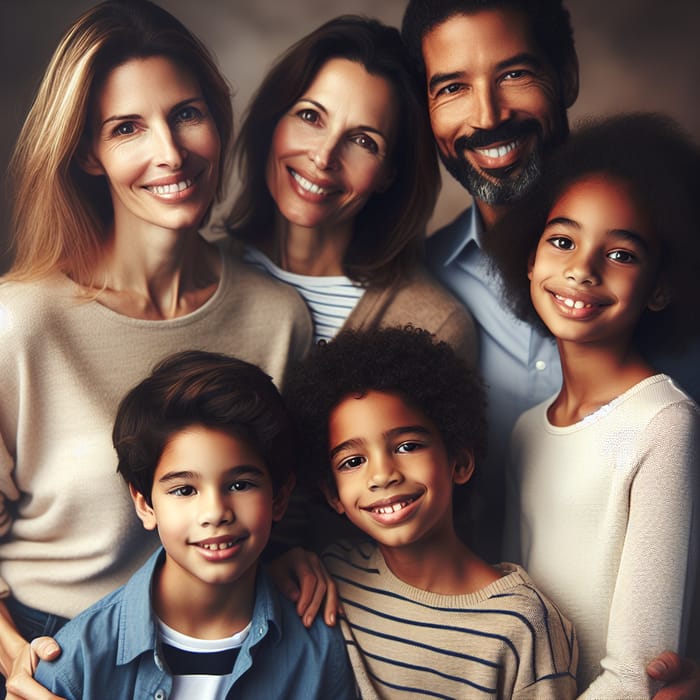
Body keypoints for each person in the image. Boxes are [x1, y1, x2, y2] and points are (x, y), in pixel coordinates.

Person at [0, 1, 311, 697]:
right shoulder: (18, 321)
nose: (170, 152)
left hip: (227, 653)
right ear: (87, 152)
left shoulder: (276, 318)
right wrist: (15, 655)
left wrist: (294, 560)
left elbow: (279, 495)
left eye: (187, 114)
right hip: (52, 654)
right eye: (127, 128)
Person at [488, 112, 700, 697]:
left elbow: (638, 676)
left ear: (660, 286)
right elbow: (509, 619)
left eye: (623, 254)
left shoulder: (663, 425)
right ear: (530, 260)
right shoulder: (527, 432)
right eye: (562, 241)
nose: (581, 269)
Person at [33, 350, 356, 699]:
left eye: (240, 485)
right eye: (184, 490)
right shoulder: (76, 661)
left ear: (279, 497)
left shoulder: (322, 648)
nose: (215, 512)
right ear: (144, 504)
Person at [284, 326, 578, 699]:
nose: (382, 474)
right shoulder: (331, 577)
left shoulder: (523, 623)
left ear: (460, 462)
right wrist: (283, 566)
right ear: (332, 494)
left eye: (407, 445)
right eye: (353, 461)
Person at [226, 15, 476, 361]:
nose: (324, 156)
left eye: (363, 140)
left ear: (390, 174)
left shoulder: (433, 328)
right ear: (273, 122)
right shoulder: (199, 275)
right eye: (310, 117)